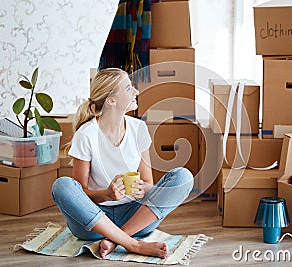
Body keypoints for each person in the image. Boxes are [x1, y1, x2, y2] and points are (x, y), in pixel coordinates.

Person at [51, 68, 194, 259]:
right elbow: (80, 193)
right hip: (93, 221)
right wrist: (106, 194)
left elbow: (148, 183)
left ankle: (117, 238)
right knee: (62, 186)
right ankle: (133, 244)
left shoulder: (138, 128)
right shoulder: (86, 135)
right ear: (111, 100)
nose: (136, 92)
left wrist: (144, 189)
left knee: (183, 177)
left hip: (135, 217)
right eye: (128, 89)